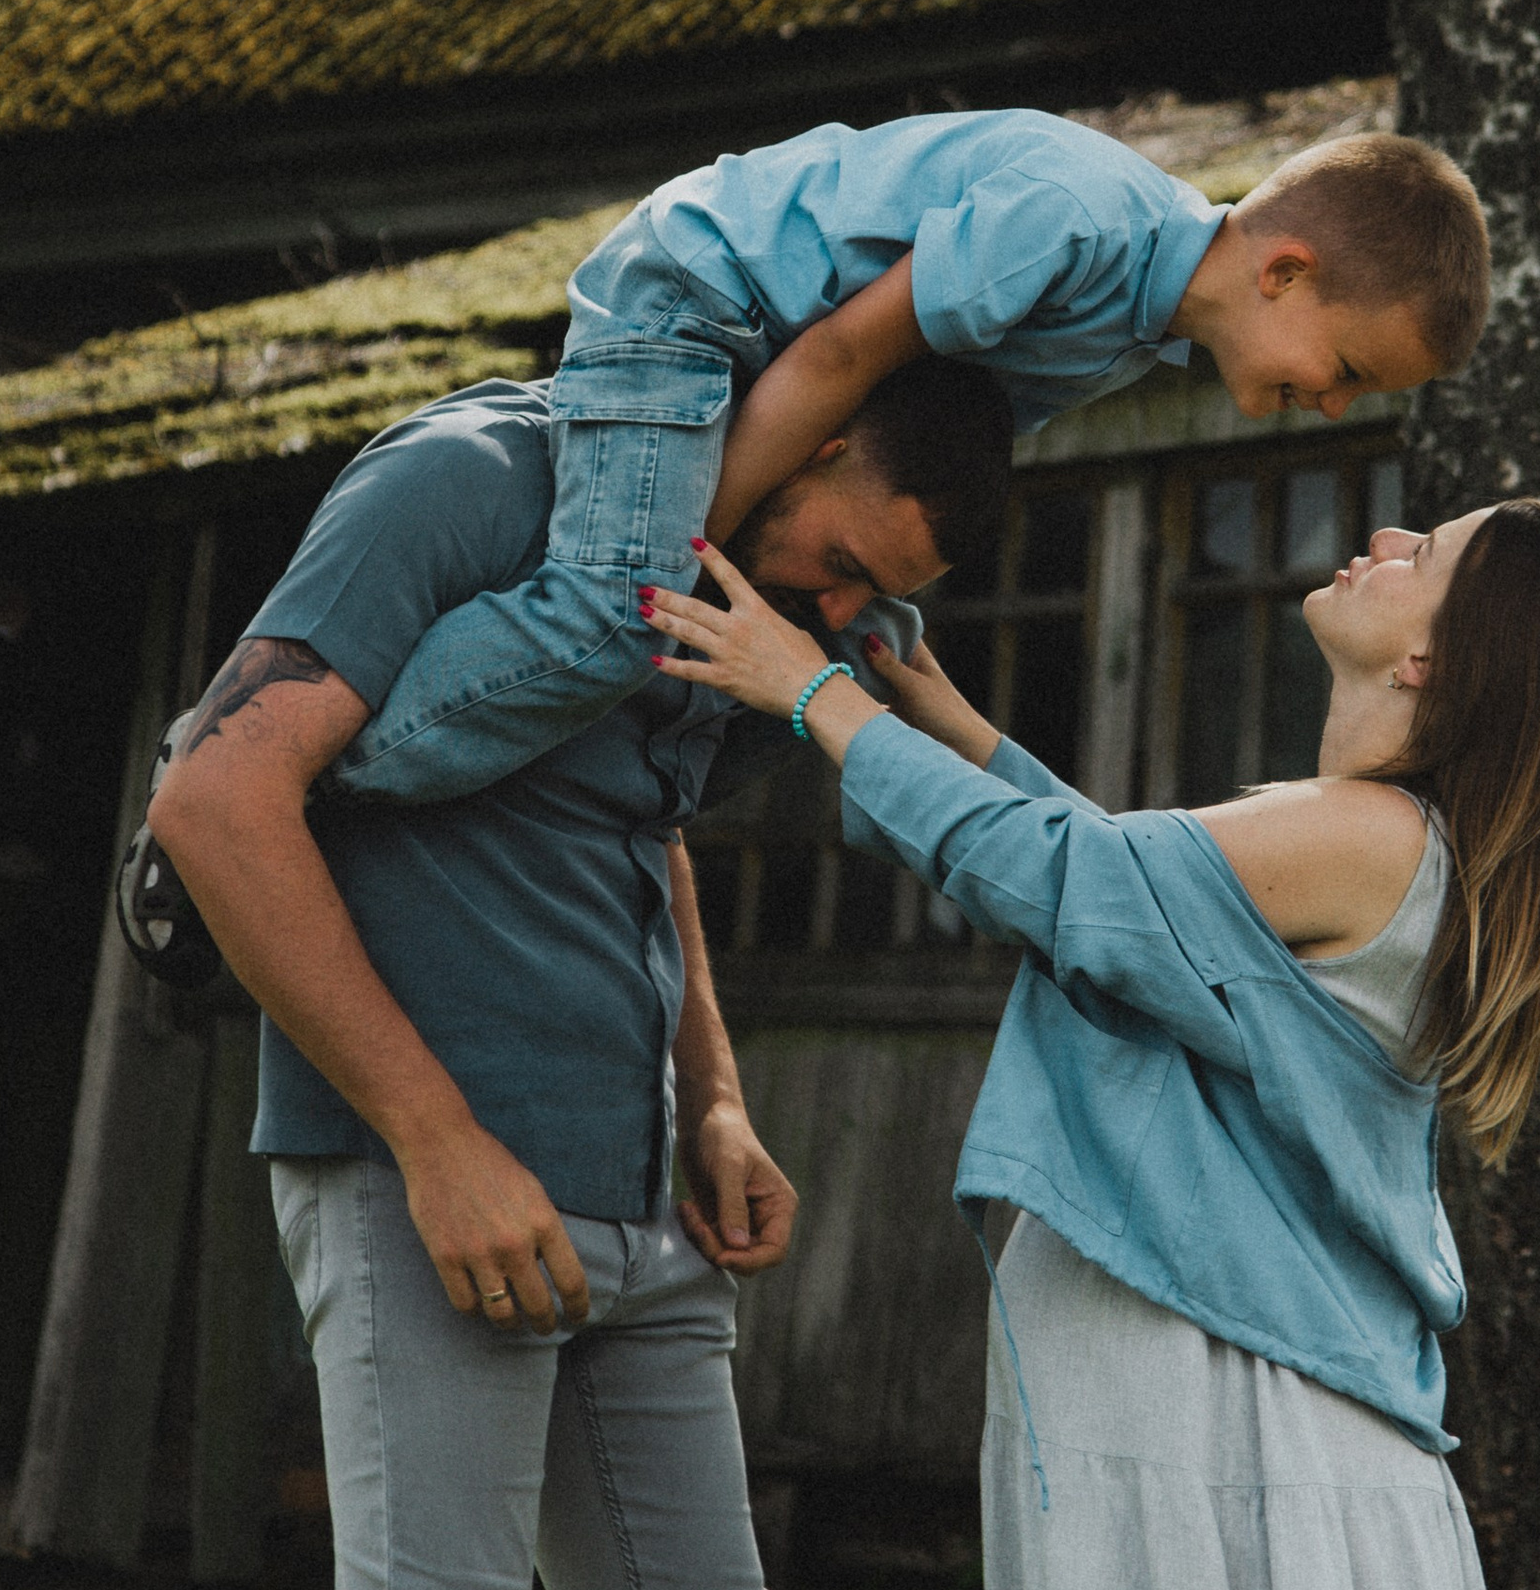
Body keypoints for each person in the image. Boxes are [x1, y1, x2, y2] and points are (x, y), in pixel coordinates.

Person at [646, 497, 1540, 1590]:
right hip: (1225, 1415)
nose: (1388, 540)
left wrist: (813, 694)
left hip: (1225, 1422)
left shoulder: (1372, 833)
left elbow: (1075, 883)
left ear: (1429, 661)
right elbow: (1132, 899)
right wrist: (952, 728)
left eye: (1428, 554)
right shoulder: (1392, 845)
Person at [145, 356, 1016, 1590]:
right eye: (850, 562)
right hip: (439, 1183)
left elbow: (640, 821)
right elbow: (216, 799)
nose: (837, 607)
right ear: (819, 444)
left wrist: (711, 1095)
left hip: (646, 1199)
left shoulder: (737, 575)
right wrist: (437, 1141)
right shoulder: (475, 473)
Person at [329, 113, 1489, 804]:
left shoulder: (1139, 334)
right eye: (1345, 366)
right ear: (1282, 270)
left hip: (786, 375)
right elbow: (842, 354)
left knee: (820, 675)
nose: (1329, 404)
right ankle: (324, 777)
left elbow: (932, 428)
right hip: (699, 307)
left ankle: (583, 809)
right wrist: (698, 555)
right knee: (616, 609)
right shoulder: (1078, 222)